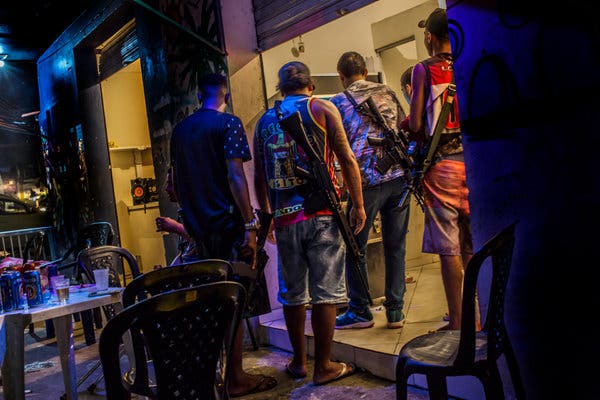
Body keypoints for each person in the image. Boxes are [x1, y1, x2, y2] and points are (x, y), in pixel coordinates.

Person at [253, 61, 366, 384]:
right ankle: (324, 366)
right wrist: (358, 204)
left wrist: (267, 216)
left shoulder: (265, 120)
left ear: (281, 89)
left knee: (292, 293)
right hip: (323, 214)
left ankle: (300, 362)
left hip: (284, 218)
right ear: (310, 85)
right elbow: (347, 158)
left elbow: (260, 174)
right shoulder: (322, 108)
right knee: (325, 293)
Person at [170, 73, 277, 397]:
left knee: (209, 304)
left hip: (199, 231)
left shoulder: (180, 130)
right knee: (232, 302)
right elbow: (235, 176)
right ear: (225, 96)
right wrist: (250, 225)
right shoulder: (228, 124)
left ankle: (217, 375)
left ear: (199, 96)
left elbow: (173, 185)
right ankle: (235, 378)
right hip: (228, 227)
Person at [329, 51, 410, 330]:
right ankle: (395, 311)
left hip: (364, 184)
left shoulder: (337, 102)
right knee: (396, 246)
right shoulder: (387, 91)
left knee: (356, 248)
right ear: (365, 71)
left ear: (342, 76)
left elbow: (336, 146)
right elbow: (404, 126)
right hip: (399, 177)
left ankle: (360, 310)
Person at [409, 8, 473, 330]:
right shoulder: (468, 62)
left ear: (430, 37)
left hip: (442, 167)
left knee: (449, 247)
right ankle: (479, 317)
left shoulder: (423, 69)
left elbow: (416, 124)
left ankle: (458, 322)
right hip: (473, 164)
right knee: (471, 244)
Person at [154, 167, 200, 265]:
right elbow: (186, 253)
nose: (166, 189)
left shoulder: (197, 209)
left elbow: (204, 244)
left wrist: (176, 227)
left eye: (170, 184)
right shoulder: (183, 212)